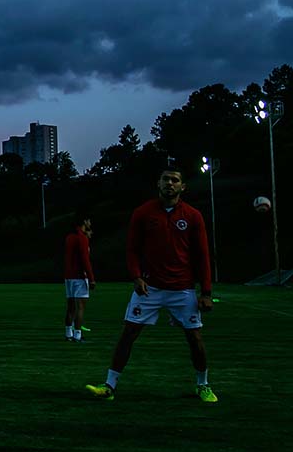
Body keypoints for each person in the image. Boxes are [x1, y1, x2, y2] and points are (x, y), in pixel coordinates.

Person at [86, 167, 217, 403]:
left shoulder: (193, 216)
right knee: (128, 333)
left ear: (182, 187)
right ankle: (109, 386)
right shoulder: (143, 213)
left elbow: (202, 256)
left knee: (195, 338)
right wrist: (136, 277)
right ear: (158, 183)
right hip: (150, 288)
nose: (170, 184)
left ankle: (203, 385)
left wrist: (205, 292)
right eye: (166, 179)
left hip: (183, 289)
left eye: (175, 180)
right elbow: (132, 249)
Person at [63, 213, 95, 342]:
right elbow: (85, 260)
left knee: (70, 307)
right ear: (84, 222)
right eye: (88, 220)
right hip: (79, 276)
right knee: (80, 307)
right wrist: (91, 278)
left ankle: (68, 333)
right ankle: (78, 335)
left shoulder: (69, 237)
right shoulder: (82, 238)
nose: (90, 223)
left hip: (68, 276)